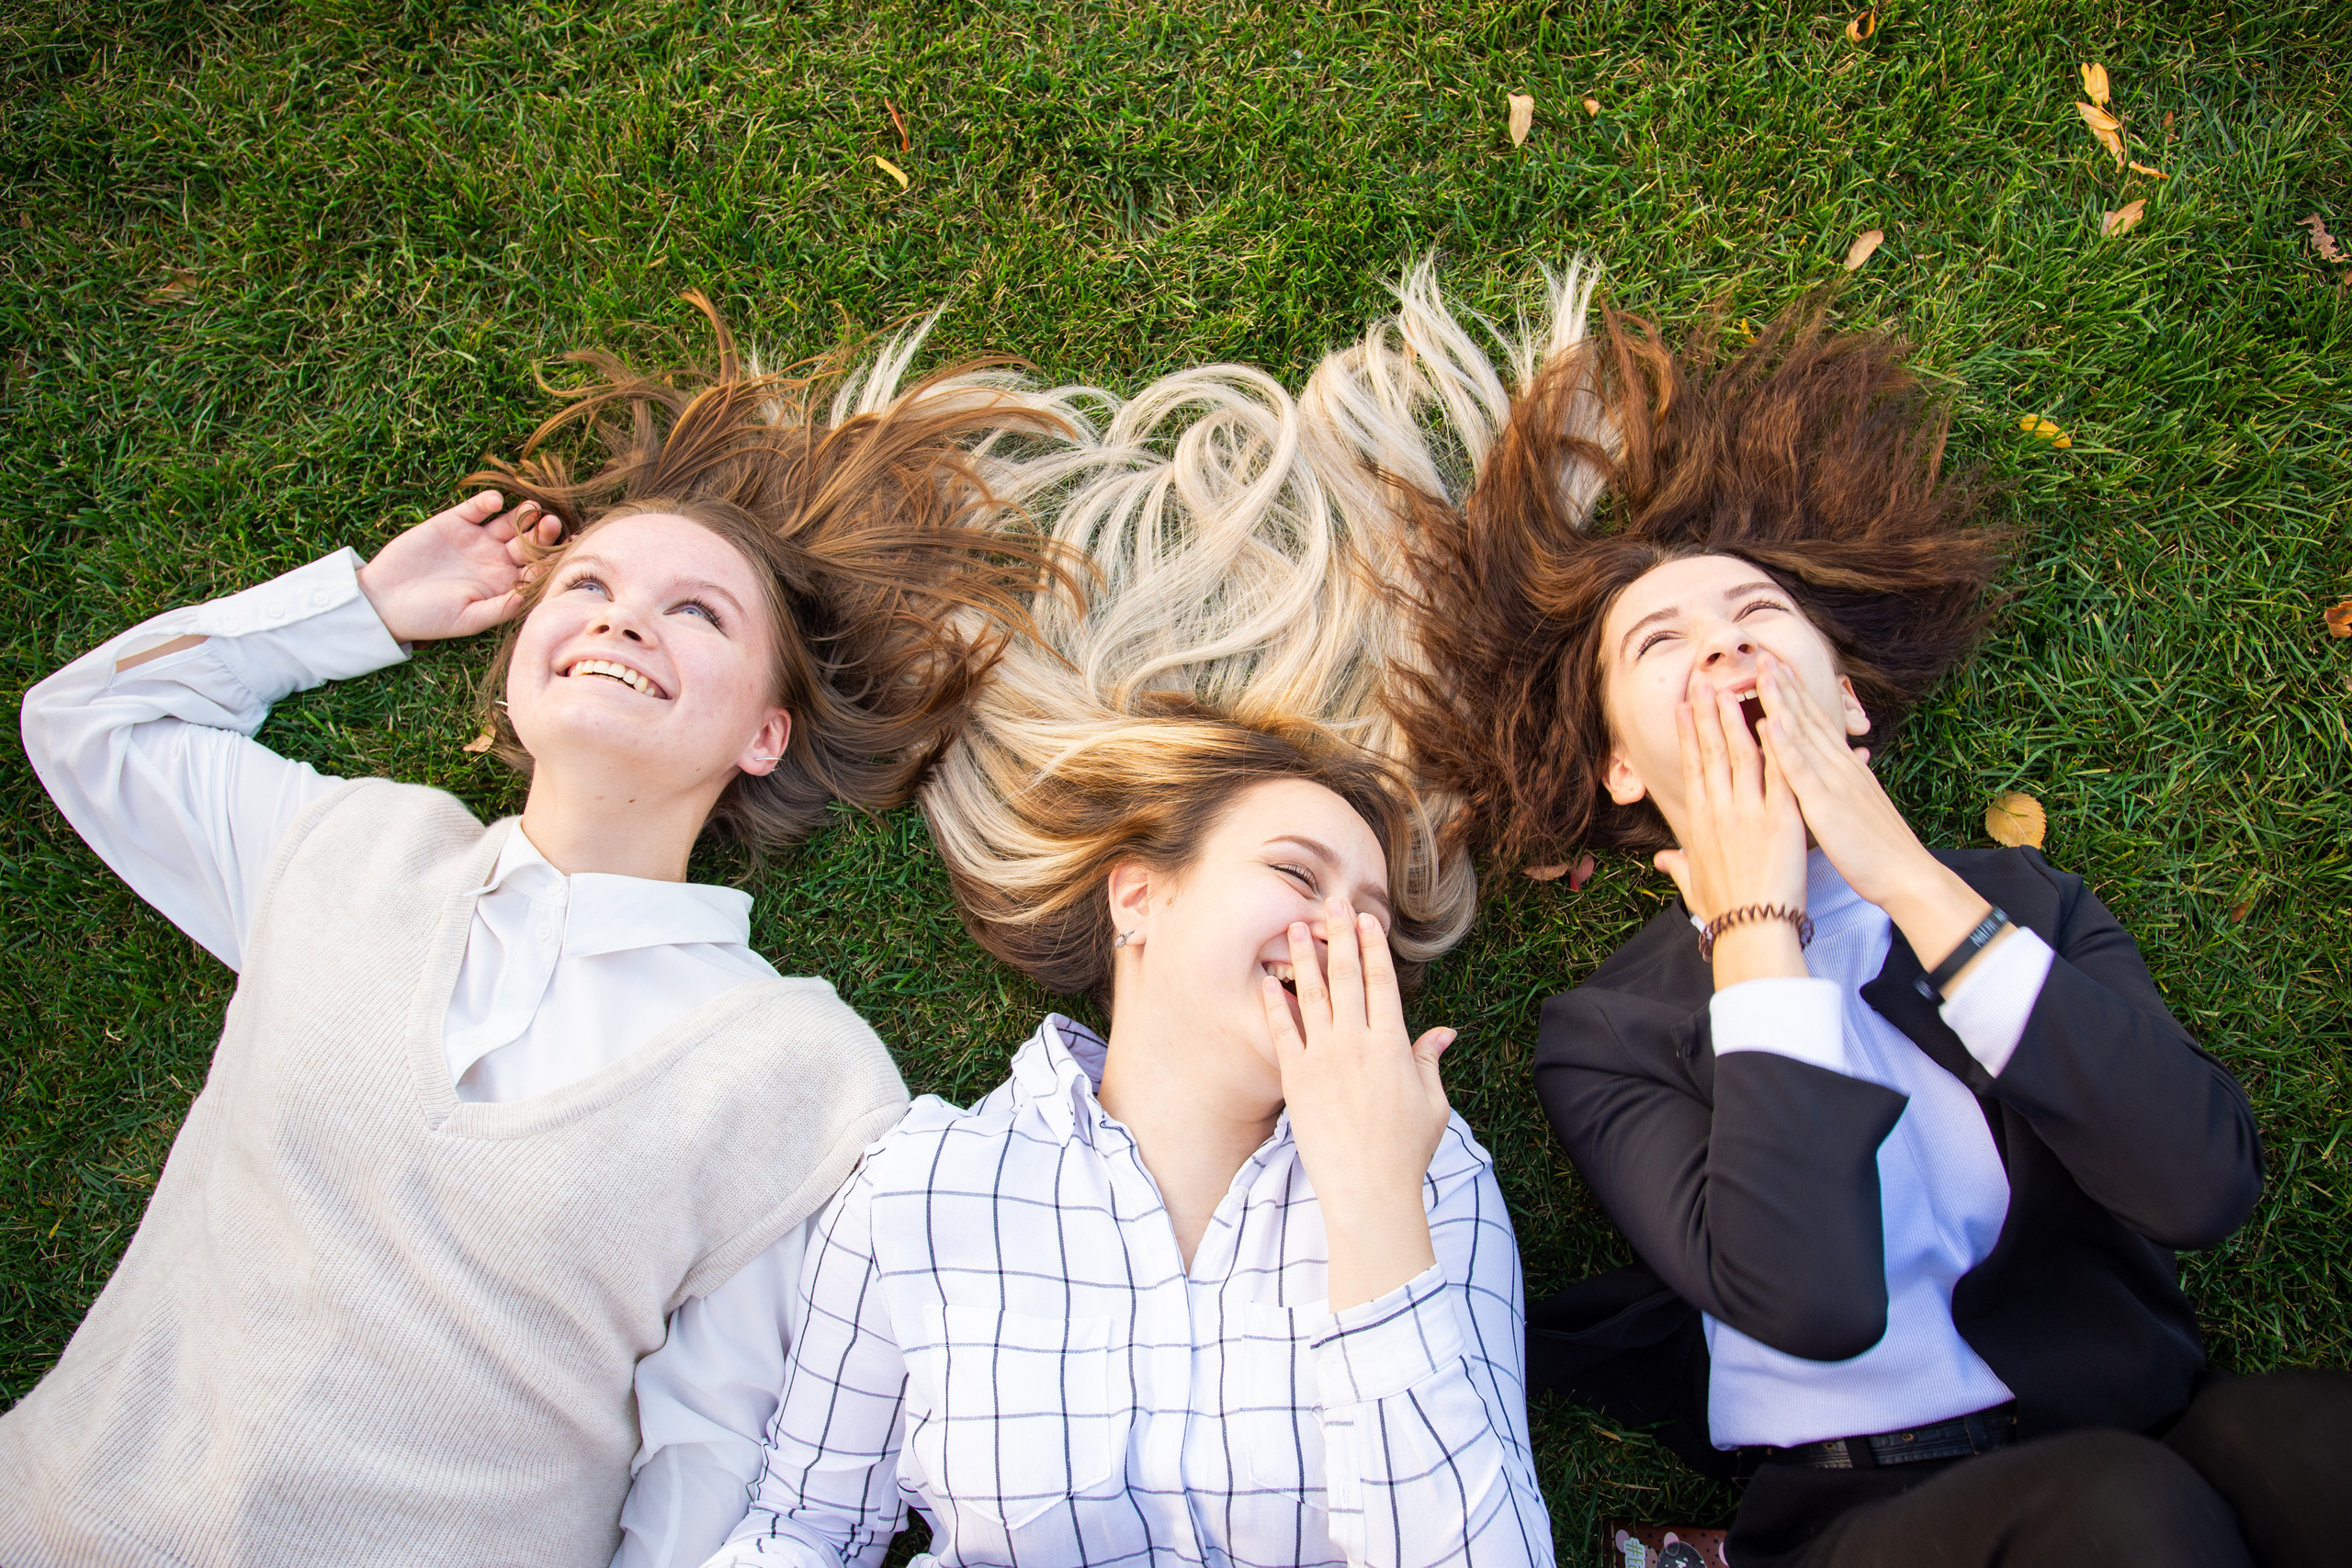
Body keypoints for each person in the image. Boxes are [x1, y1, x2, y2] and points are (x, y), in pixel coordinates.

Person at [3, 294, 1069, 1568]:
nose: (625, 619)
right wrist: (367, 609)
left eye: (698, 615)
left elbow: (707, 1473)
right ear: (517, 660)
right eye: (590, 584)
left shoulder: (799, 1075)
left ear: (763, 733)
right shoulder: (344, 853)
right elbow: (92, 729)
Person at [1381, 283, 2352, 1567]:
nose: (1725, 651)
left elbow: (2198, 1182)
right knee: (2122, 1513)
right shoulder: (1606, 1032)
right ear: (1621, 766)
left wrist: (1895, 868)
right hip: (1861, 1513)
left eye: (1759, 618)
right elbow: (1810, 1303)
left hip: (2133, 1421)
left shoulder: (2025, 905)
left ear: (1843, 696)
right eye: (1662, 642)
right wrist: (1756, 919)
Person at [695, 336, 1555, 1567]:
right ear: (1138, 902)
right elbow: (806, 1527)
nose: (1346, 937)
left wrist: (1372, 1201)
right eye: (1298, 876)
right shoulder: (926, 1185)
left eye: (1373, 916)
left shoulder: (1432, 1177)